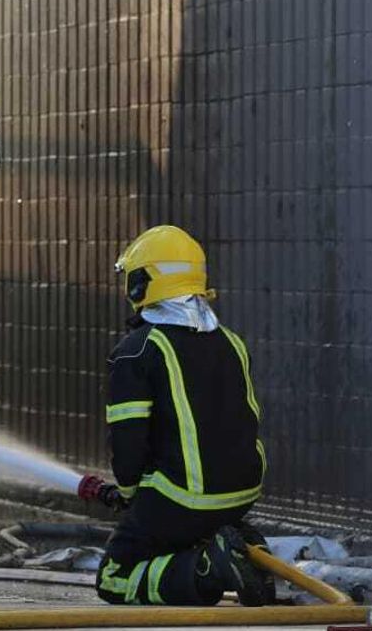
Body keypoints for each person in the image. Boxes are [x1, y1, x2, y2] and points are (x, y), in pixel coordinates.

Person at [96, 225, 274, 606]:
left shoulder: (135, 352)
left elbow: (128, 449)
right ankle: (242, 553)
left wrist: (129, 495)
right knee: (180, 527)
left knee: (114, 577)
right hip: (242, 495)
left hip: (183, 499)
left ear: (141, 283)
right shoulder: (231, 341)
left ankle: (206, 568)